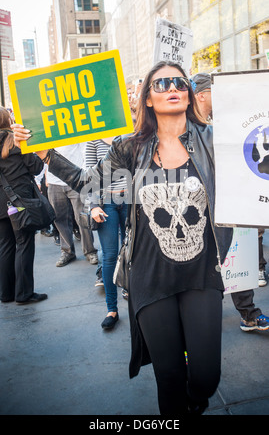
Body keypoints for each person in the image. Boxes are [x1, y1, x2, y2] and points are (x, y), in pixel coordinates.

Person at [13, 61, 233, 415]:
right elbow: (88, 183)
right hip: (149, 275)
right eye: (161, 84)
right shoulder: (131, 147)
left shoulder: (214, 140)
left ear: (190, 93)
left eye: (180, 82)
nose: (172, 88)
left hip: (202, 272)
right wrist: (44, 154)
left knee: (206, 377)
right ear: (147, 98)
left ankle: (195, 400)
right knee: (169, 376)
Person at [192, 72, 269, 332]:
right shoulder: (189, 130)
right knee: (204, 263)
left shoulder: (223, 122)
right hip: (203, 209)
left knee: (241, 259)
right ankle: (199, 322)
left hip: (233, 203)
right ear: (201, 95)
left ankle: (249, 313)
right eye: (215, 92)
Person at [0, 107, 47, 304]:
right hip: (20, 203)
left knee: (5, 246)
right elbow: (36, 167)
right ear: (7, 119)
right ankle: (23, 293)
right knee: (24, 244)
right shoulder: (15, 139)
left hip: (1, 205)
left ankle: (6, 293)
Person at [84, 137, 128, 329]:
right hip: (106, 203)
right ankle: (112, 309)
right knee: (110, 256)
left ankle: (136, 299)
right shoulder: (93, 140)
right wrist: (93, 206)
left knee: (135, 251)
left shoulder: (131, 132)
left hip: (132, 200)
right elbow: (90, 174)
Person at [46, 144, 98, 267]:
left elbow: (85, 149)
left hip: (75, 178)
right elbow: (41, 154)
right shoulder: (48, 130)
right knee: (59, 219)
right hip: (54, 181)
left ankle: (90, 251)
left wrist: (84, 176)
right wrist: (41, 178)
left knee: (82, 218)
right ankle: (67, 252)